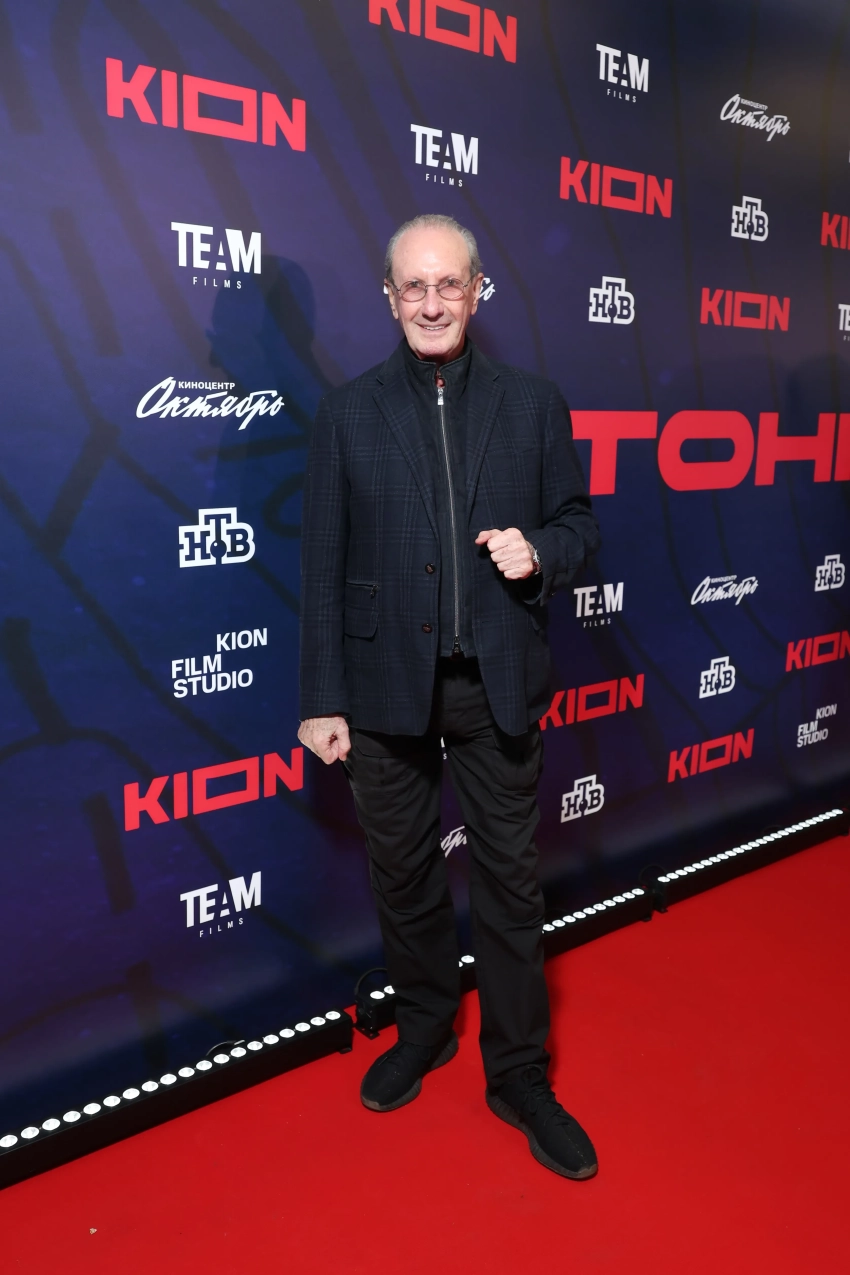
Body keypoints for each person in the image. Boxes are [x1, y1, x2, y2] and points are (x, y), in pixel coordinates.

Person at [299, 213, 601, 1180]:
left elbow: (580, 525)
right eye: (414, 287)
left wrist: (538, 551)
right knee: (404, 875)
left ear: (478, 291)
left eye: (449, 284)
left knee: (510, 883)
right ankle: (425, 1025)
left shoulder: (534, 404)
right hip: (382, 689)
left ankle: (518, 1074)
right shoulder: (346, 414)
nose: (433, 303)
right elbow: (321, 566)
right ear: (391, 297)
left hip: (494, 684)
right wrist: (321, 697)